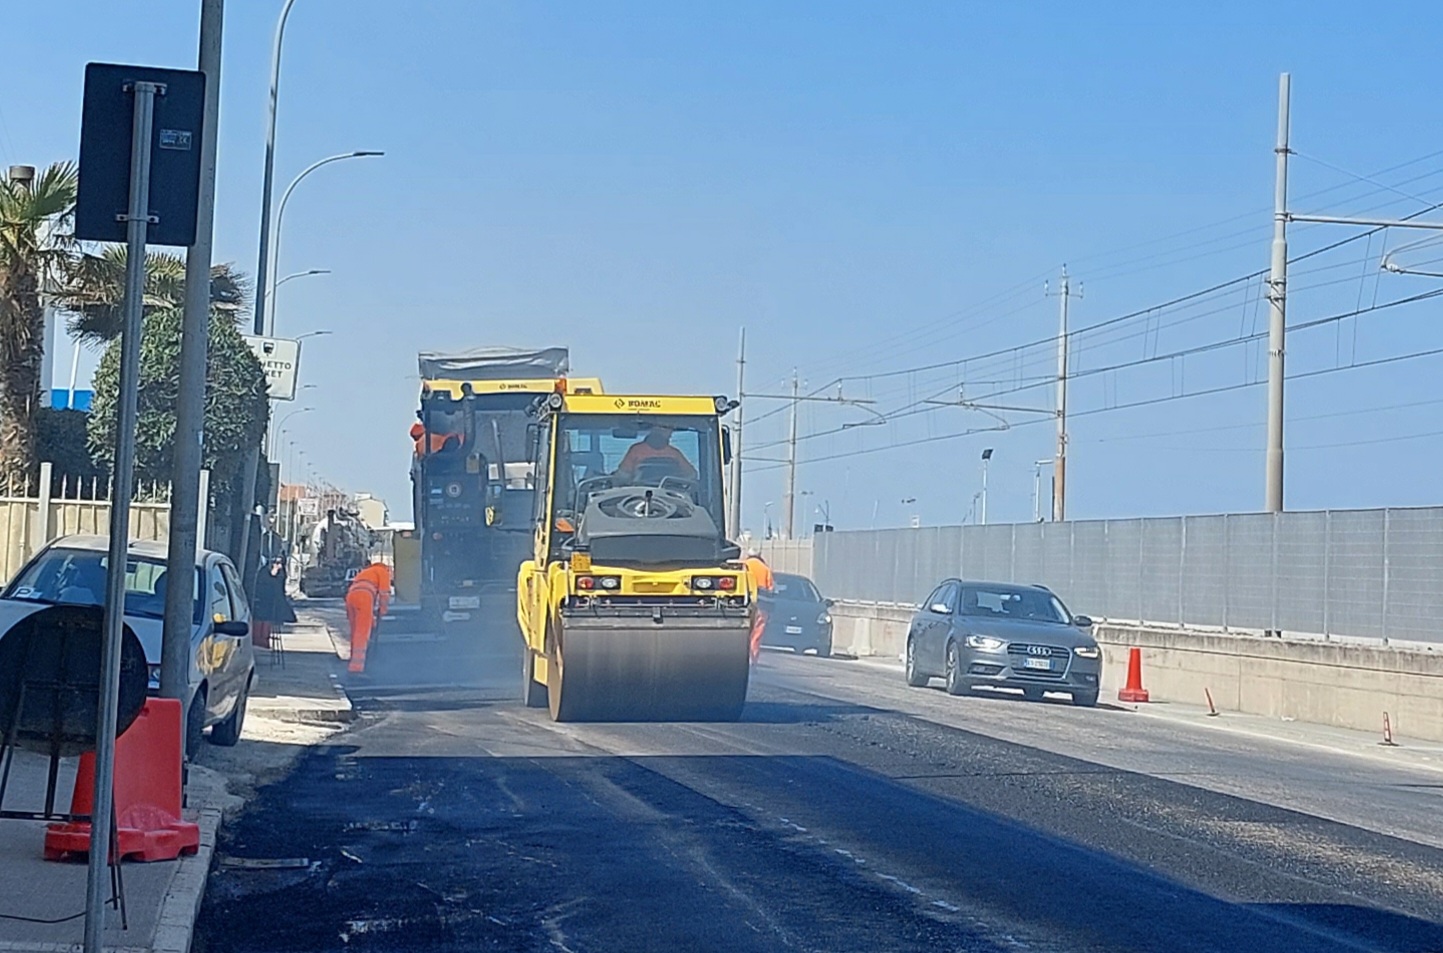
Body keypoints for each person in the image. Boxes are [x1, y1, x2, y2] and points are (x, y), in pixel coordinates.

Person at [345, 558, 393, 675]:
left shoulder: (368, 571)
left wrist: (373, 621)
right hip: (364, 597)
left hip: (350, 596)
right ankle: (357, 667)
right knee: (362, 633)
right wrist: (383, 612)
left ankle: (353, 660)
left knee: (355, 630)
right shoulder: (384, 572)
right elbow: (384, 594)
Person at [616, 425, 697, 481]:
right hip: (670, 497)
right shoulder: (674, 454)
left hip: (640, 496)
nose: (671, 434)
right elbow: (691, 475)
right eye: (668, 430)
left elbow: (623, 477)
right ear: (656, 430)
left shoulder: (636, 450)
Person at [250, 556, 297, 649]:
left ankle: (263, 639)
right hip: (263, 600)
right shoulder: (263, 573)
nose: (278, 565)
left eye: (280, 563)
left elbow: (279, 585)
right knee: (260, 619)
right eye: (276, 563)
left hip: (272, 603)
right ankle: (259, 639)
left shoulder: (280, 574)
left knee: (266, 620)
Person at [743, 548, 774, 664]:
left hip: (744, 605)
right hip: (761, 606)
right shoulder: (765, 569)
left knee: (743, 633)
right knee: (756, 635)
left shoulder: (743, 566)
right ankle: (753, 661)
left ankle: (741, 659)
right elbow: (771, 589)